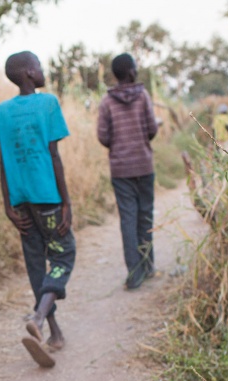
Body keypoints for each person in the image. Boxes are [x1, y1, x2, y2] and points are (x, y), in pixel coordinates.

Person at [0, 51, 76, 369]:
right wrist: (66, 201)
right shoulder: (47, 103)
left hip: (20, 201)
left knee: (35, 264)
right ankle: (40, 318)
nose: (43, 71)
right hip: (48, 197)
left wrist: (6, 203)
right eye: (39, 66)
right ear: (29, 73)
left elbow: (3, 161)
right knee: (63, 255)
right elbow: (54, 156)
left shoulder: (3, 110)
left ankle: (53, 333)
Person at [97, 53, 159, 290]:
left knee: (128, 220)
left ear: (115, 74)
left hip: (121, 169)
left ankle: (134, 274)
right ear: (131, 72)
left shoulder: (106, 102)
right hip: (144, 165)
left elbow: (103, 136)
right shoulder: (143, 96)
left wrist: (118, 146)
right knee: (145, 217)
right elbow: (152, 128)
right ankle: (148, 266)